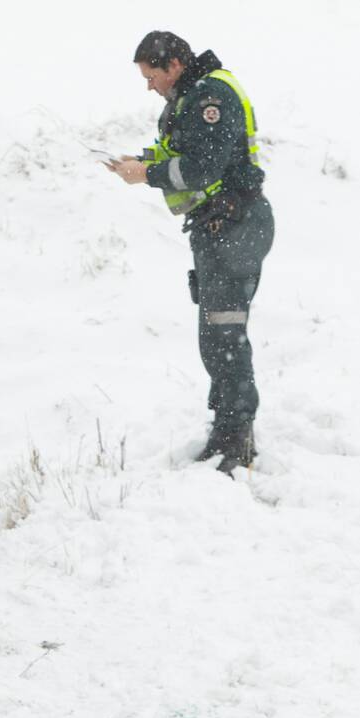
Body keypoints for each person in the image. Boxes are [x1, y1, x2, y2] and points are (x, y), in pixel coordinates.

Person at [109, 31, 273, 474]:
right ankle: (228, 428)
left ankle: (236, 437)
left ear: (174, 64)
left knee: (225, 335)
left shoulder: (209, 96)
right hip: (220, 228)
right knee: (216, 335)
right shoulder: (189, 99)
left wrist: (146, 174)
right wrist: (140, 161)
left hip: (235, 225)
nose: (149, 86)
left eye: (151, 76)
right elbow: (182, 153)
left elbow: (202, 168)